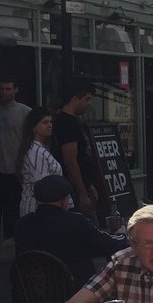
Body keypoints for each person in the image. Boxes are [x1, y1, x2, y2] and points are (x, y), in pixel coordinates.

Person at [14, 175, 126, 292]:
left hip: (32, 296)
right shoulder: (75, 222)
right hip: (73, 293)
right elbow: (105, 245)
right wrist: (122, 235)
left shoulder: (23, 224)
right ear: (64, 201)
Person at [0, 76, 31, 251]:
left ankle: (20, 253)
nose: (4, 92)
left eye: (8, 89)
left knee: (17, 214)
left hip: (16, 171)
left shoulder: (25, 112)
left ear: (15, 90)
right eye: (2, 89)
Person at [52, 77, 98, 217]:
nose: (88, 104)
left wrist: (88, 184)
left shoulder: (73, 122)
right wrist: (82, 193)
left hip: (80, 184)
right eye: (86, 99)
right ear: (75, 99)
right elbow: (71, 161)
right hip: (72, 188)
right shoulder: (66, 123)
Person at [15, 107, 63, 216]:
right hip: (38, 210)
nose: (50, 125)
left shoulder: (41, 148)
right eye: (45, 122)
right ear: (33, 127)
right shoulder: (35, 152)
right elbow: (43, 186)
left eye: (51, 122)